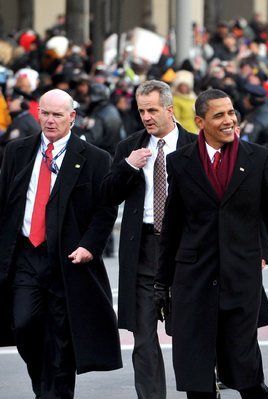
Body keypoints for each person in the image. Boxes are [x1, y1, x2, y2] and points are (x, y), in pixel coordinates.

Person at [154, 88, 268, 399]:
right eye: (219, 115)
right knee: (197, 376)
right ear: (200, 122)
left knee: (244, 369)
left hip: (240, 279)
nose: (228, 121)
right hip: (194, 280)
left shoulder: (258, 158)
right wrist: (162, 284)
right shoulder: (180, 162)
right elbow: (172, 227)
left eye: (231, 113)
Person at [0, 89, 121, 398]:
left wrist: (89, 246)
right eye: (45, 113)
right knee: (24, 323)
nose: (50, 120)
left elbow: (104, 210)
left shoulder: (94, 158)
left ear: (72, 118)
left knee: (61, 337)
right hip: (26, 255)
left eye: (57, 115)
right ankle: (45, 387)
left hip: (68, 261)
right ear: (37, 113)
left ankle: (56, 393)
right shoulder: (17, 151)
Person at [100, 80, 197, 399]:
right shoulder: (129, 146)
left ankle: (202, 389)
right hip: (143, 249)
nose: (146, 116)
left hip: (185, 250)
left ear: (170, 109)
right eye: (141, 110)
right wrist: (129, 166)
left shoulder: (195, 146)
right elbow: (108, 195)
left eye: (153, 109)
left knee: (190, 334)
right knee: (142, 337)